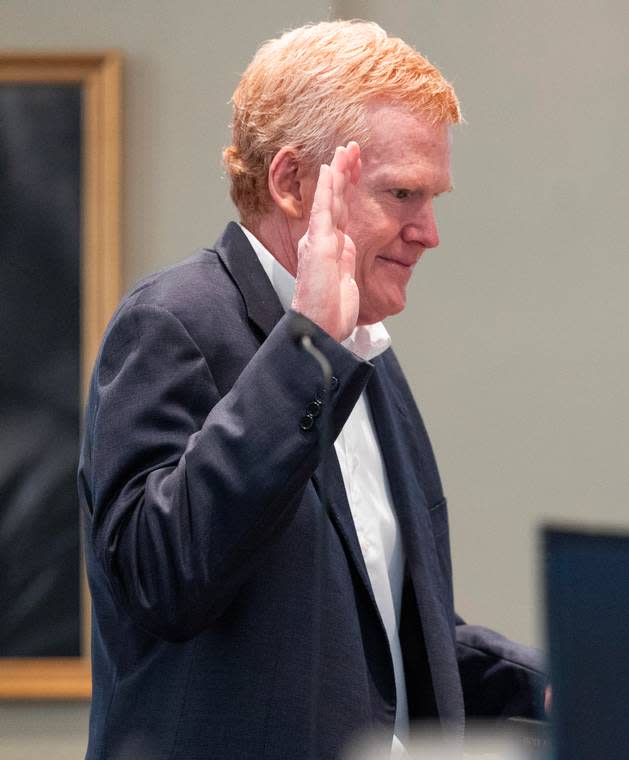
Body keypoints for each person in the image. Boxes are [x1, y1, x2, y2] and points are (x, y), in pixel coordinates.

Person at [79, 21, 545, 760]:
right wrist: (308, 349)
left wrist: (550, 683)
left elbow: (383, 635)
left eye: (433, 198)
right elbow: (161, 580)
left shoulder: (364, 354)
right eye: (402, 194)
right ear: (292, 181)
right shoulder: (173, 322)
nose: (428, 232)